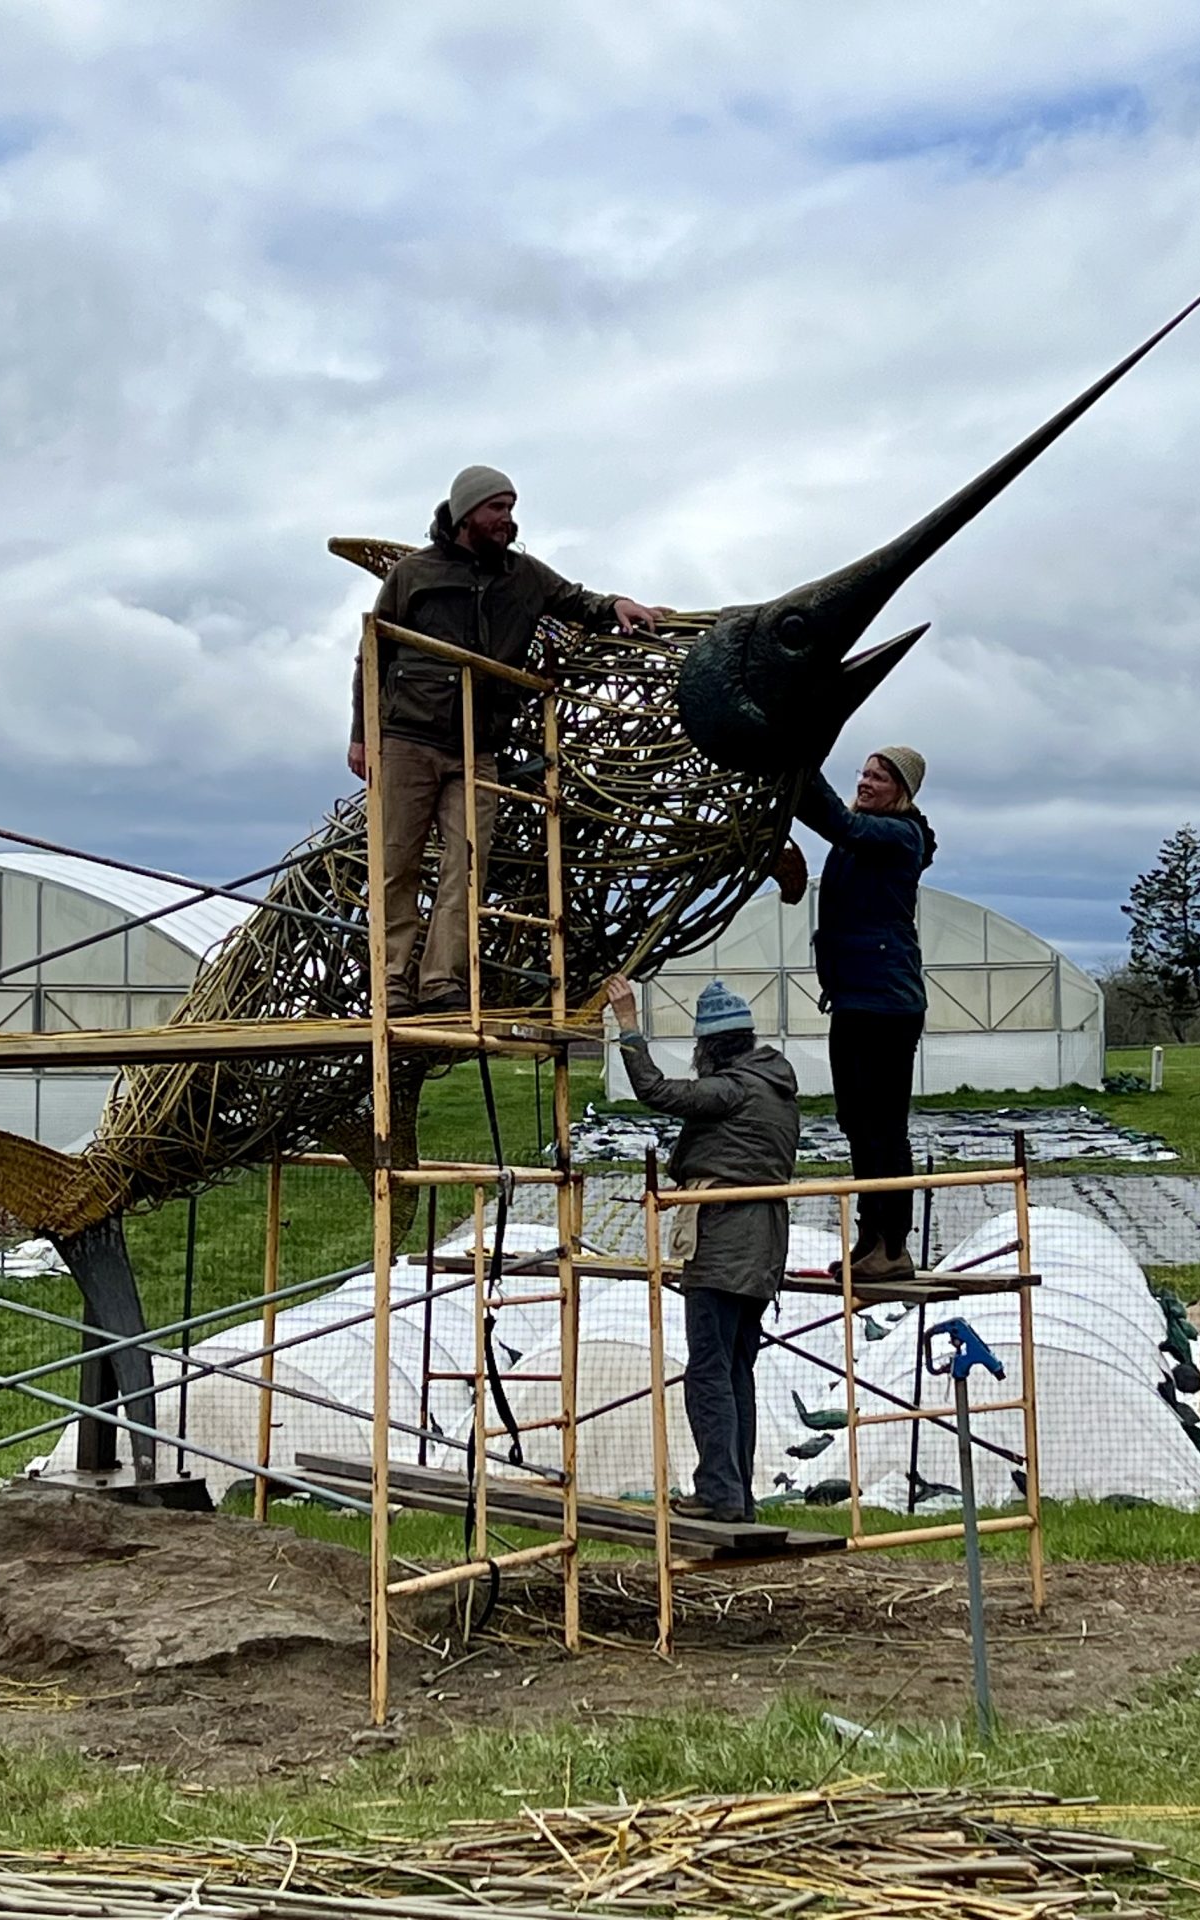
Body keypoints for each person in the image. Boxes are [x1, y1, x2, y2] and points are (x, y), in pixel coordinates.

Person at [351, 467, 666, 1016]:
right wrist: (361, 735)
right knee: (396, 864)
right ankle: (393, 980)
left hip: (479, 746)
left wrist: (617, 605)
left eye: (511, 506)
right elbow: (372, 654)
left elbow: (576, 599)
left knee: (466, 863)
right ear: (467, 513)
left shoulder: (524, 576)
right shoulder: (413, 574)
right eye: (497, 507)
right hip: (408, 739)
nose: (508, 518)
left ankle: (440, 980)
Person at [604, 973, 801, 1524]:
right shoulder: (777, 1086)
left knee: (708, 1370)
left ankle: (719, 1492)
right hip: (764, 1244)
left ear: (709, 1048)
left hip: (723, 1241)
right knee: (737, 1368)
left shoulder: (731, 1087)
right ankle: (737, 1494)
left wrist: (628, 1027)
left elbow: (658, 1092)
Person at [778, 745, 934, 1283]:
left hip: (887, 1004)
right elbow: (835, 825)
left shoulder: (899, 836)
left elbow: (838, 823)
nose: (867, 781)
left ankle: (892, 1246)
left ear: (902, 791)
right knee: (856, 1124)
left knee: (884, 1127)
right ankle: (869, 1242)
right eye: (864, 772)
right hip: (852, 999)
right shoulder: (861, 834)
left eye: (880, 777)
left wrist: (793, 766)